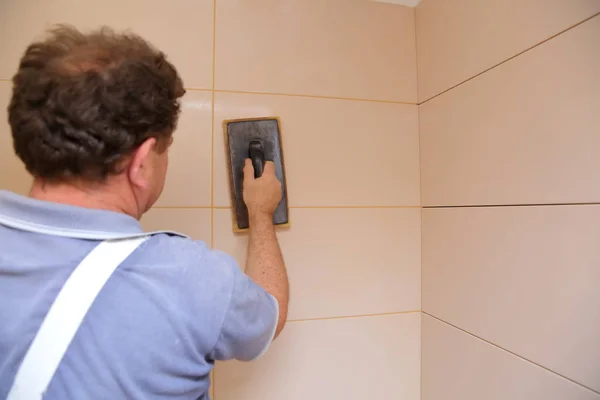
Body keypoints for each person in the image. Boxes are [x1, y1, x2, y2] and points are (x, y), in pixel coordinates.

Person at [0, 25, 289, 399]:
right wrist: (262, 212)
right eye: (163, 151)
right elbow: (269, 316)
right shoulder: (189, 277)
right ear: (140, 164)